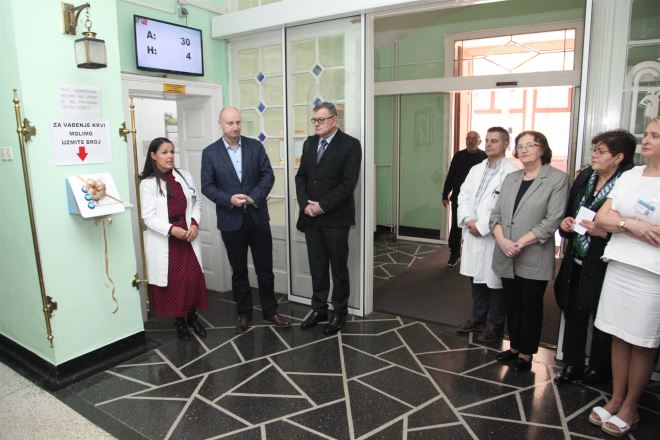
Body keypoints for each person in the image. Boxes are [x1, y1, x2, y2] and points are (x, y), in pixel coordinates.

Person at [588, 118, 660, 437]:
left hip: (652, 272)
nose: (647, 139)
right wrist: (633, 225)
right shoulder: (631, 175)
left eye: (655, 135)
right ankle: (616, 399)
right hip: (620, 263)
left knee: (641, 341)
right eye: (647, 133)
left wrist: (622, 222)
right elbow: (603, 217)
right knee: (618, 335)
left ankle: (631, 407)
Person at [553, 130, 636, 386]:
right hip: (577, 255)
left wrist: (605, 233)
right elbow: (570, 211)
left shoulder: (628, 183)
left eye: (601, 151)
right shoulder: (586, 177)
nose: (594, 156)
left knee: (603, 318)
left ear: (619, 157)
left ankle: (599, 369)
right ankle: (573, 364)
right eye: (594, 150)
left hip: (606, 262)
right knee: (573, 311)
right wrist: (565, 224)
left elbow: (633, 227)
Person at [201, 107, 290, 334]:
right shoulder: (210, 153)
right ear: (220, 124)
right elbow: (207, 186)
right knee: (239, 271)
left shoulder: (255, 146)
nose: (235, 127)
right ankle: (244, 314)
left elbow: (268, 175)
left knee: (265, 269)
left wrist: (254, 197)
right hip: (231, 222)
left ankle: (270, 311)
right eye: (230, 123)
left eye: (238, 122)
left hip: (258, 218)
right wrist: (229, 199)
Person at [490, 131, 568, 371]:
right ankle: (514, 346)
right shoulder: (511, 178)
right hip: (505, 252)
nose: (524, 150)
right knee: (511, 304)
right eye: (520, 145)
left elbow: (552, 220)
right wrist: (502, 240)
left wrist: (520, 243)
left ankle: (526, 353)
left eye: (530, 145)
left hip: (533, 254)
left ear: (542, 148)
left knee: (530, 307)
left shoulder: (557, 179)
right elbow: (496, 215)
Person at [295, 102, 362, 334]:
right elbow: (301, 177)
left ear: (334, 120)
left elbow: (347, 184)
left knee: (338, 269)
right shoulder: (309, 143)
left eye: (321, 120)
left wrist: (321, 206)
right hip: (310, 218)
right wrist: (305, 205)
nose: (316, 124)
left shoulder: (350, 145)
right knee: (318, 267)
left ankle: (339, 313)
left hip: (335, 219)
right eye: (314, 120)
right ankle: (319, 309)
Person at [140, 137, 208, 340]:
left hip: (188, 235)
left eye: (171, 152)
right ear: (153, 155)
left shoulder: (184, 176)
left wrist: (194, 223)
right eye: (164, 152)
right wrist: (171, 230)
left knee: (192, 279)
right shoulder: (148, 184)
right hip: (168, 238)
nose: (170, 156)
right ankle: (180, 321)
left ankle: (192, 317)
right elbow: (148, 217)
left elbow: (196, 203)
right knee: (175, 282)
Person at [456, 127, 519, 342]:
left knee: (495, 281)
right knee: (476, 278)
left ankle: (495, 325)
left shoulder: (512, 172)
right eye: (488, 140)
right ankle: (478, 318)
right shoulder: (476, 169)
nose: (489, 144)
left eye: (495, 141)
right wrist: (468, 220)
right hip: (472, 231)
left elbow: (506, 207)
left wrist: (482, 226)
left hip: (494, 236)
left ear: (506, 145)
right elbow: (463, 196)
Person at [443, 131, 487, 266]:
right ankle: (454, 253)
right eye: (468, 138)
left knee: (475, 227)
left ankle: (475, 257)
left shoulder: (484, 157)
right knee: (456, 226)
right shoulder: (458, 156)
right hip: (458, 198)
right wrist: (445, 194)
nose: (471, 141)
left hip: (478, 200)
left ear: (479, 142)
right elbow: (451, 175)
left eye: (474, 139)